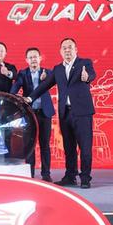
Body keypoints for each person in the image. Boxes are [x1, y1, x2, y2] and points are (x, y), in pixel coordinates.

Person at [26, 37, 96, 188]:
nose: (67, 50)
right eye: (64, 48)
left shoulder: (85, 63)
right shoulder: (57, 69)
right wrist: (30, 98)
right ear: (60, 51)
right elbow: (45, 85)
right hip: (65, 113)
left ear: (76, 49)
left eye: (70, 47)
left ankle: (85, 178)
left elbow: (91, 75)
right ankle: (70, 176)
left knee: (85, 147)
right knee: (69, 148)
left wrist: (87, 77)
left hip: (82, 113)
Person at [10, 47, 54, 182]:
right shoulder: (23, 73)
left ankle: (46, 174)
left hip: (45, 113)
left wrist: (45, 80)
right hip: (29, 114)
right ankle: (30, 174)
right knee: (30, 145)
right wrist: (15, 98)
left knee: (45, 144)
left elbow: (50, 83)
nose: (33, 59)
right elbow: (14, 90)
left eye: (35, 57)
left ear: (40, 58)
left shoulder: (48, 72)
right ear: (26, 60)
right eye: (30, 57)